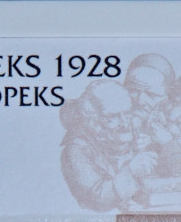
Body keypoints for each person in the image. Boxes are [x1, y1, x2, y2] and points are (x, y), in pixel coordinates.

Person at [60, 80, 157, 211]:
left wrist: (149, 149)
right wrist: (131, 170)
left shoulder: (134, 136)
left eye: (127, 113)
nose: (124, 123)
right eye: (113, 117)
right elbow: (96, 200)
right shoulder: (77, 150)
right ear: (93, 120)